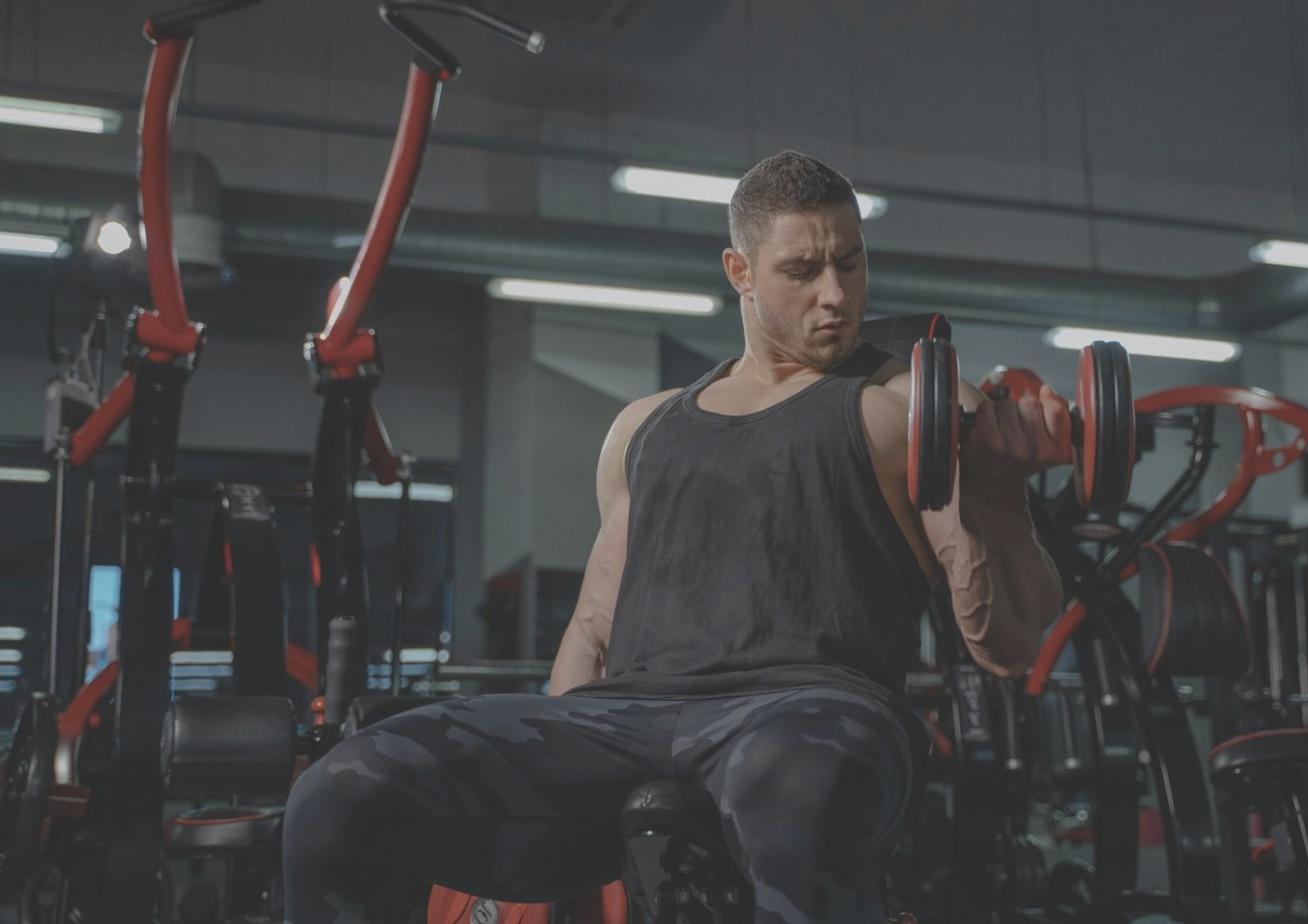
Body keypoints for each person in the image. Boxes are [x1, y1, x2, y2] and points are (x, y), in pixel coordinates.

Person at [283, 150, 1069, 923]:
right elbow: (592, 627)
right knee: (345, 786)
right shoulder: (644, 427)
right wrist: (551, 765)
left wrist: (1000, 498)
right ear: (740, 271)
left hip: (808, 712)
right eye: (802, 271)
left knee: (794, 789)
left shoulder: (904, 406)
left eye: (851, 264)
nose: (836, 295)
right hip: (625, 716)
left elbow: (1006, 645)